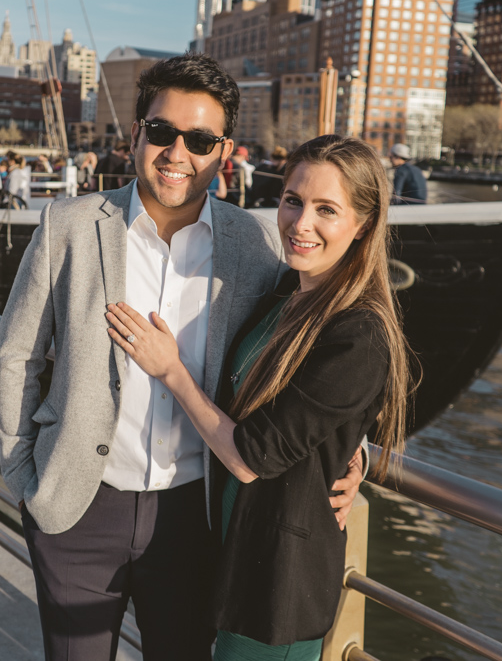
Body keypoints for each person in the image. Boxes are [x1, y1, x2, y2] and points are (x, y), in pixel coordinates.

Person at [0, 54, 364, 661]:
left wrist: (352, 455)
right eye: (162, 132)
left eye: (199, 139)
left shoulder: (257, 243)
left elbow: (304, 363)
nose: (176, 153)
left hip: (197, 517)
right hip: (79, 509)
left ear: (224, 151)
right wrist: (23, 478)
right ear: (136, 132)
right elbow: (16, 358)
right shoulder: (70, 224)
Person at [105, 134, 413, 659]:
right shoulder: (287, 294)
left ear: (362, 225)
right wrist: (348, 449)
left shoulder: (359, 333)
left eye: (326, 210)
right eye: (293, 201)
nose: (300, 224)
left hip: (275, 581)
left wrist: (171, 371)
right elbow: (304, 417)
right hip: (230, 552)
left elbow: (252, 456)